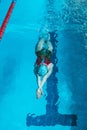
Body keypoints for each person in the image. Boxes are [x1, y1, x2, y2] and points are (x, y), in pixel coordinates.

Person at [34, 32, 54, 99]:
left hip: (39, 53)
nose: (42, 63)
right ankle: (48, 38)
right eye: (42, 65)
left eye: (41, 65)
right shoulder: (50, 66)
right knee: (50, 46)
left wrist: (39, 88)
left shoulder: (36, 71)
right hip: (48, 55)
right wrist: (40, 88)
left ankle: (42, 37)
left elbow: (38, 79)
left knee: (40, 42)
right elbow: (44, 78)